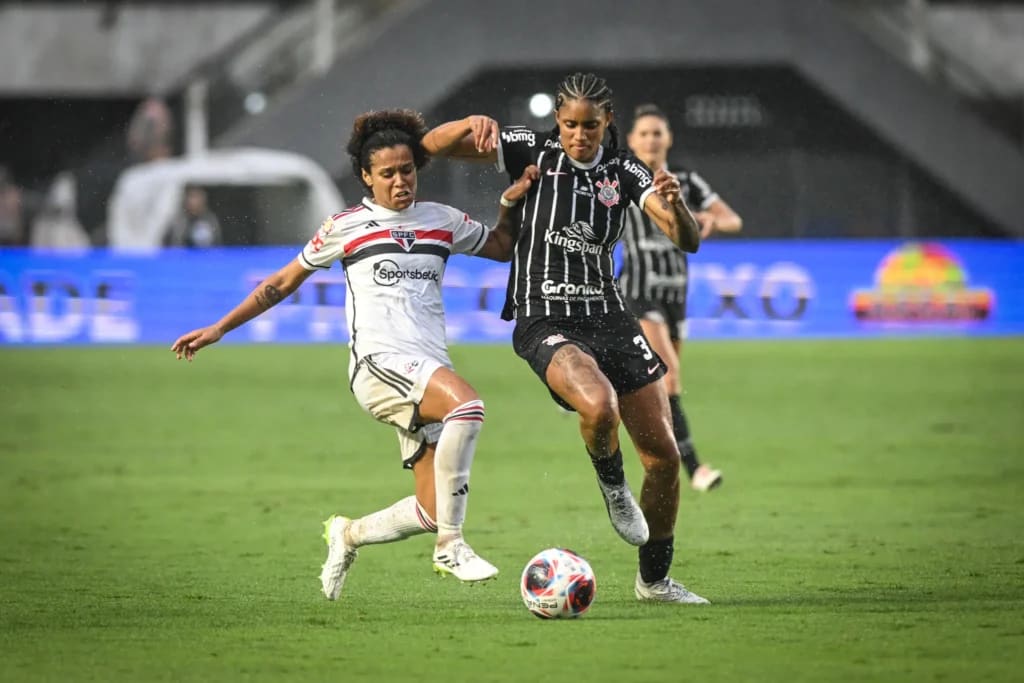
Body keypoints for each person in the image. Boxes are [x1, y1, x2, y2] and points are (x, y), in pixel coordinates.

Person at [171, 109, 535, 601]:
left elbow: (502, 246)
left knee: (432, 508)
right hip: (379, 365)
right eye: (387, 173)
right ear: (366, 177)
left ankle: (348, 534)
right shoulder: (346, 226)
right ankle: (452, 546)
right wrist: (219, 328)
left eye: (407, 170)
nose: (400, 181)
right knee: (468, 407)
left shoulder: (441, 221)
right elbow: (281, 283)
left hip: (427, 366)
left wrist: (509, 203)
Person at [423, 73, 709, 604]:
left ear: (608, 124)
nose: (580, 135)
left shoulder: (624, 171)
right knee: (599, 407)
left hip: (610, 315)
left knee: (666, 458)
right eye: (571, 124)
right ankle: (612, 486)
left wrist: (680, 205)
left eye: (591, 126)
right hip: (545, 315)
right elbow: (430, 147)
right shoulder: (531, 150)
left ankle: (654, 582)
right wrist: (468, 124)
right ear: (558, 120)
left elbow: (685, 239)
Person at [621, 104, 743, 492]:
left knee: (658, 387)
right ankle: (695, 468)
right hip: (638, 292)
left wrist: (710, 220)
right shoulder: (621, 178)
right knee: (669, 375)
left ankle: (653, 454)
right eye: (644, 133)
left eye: (657, 133)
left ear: (668, 139)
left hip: (676, 294)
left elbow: (732, 218)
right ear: (631, 141)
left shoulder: (687, 181)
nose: (651, 140)